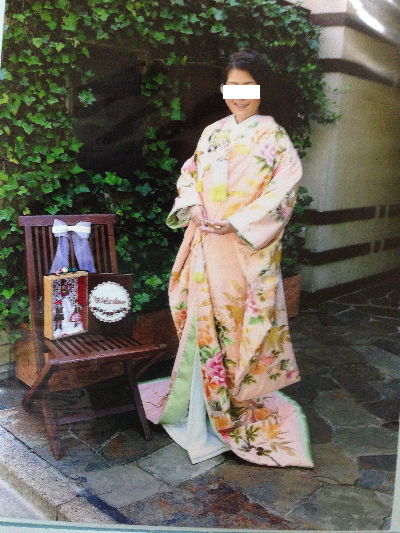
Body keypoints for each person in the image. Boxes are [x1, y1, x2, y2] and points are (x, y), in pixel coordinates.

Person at [158, 49, 314, 468]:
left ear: (262, 89)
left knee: (240, 327)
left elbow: (282, 195)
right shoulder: (212, 133)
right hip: (207, 244)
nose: (239, 95)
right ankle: (198, 412)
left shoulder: (275, 138)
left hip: (245, 250)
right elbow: (189, 175)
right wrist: (193, 207)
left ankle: (232, 409)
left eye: (248, 86)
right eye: (233, 86)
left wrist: (237, 222)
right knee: (202, 324)